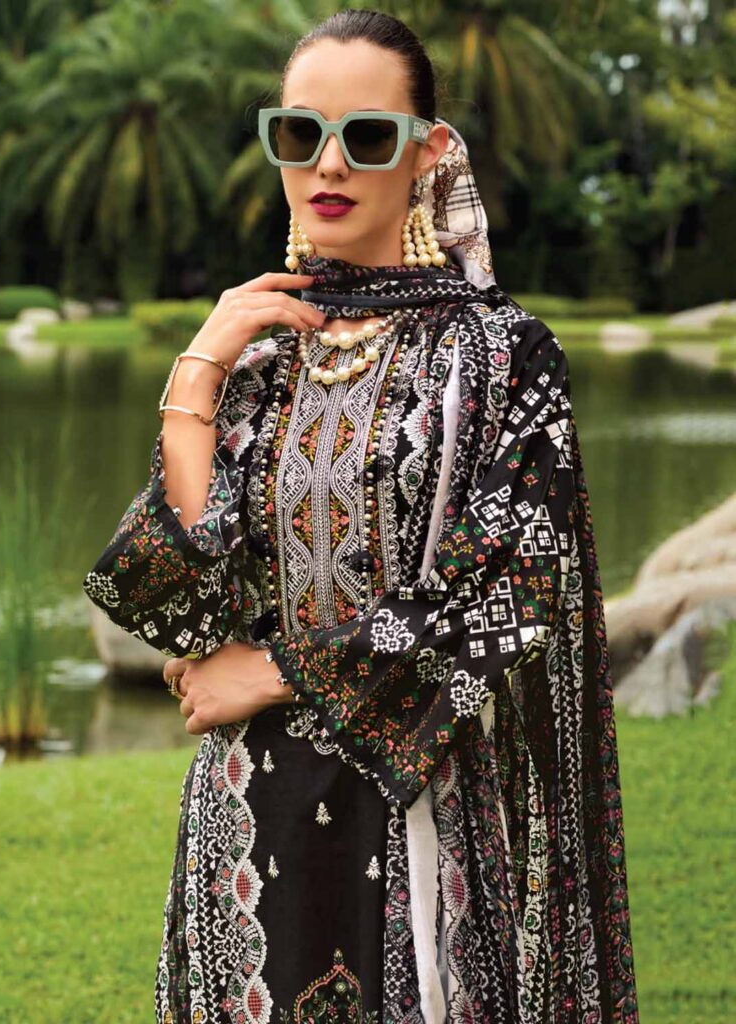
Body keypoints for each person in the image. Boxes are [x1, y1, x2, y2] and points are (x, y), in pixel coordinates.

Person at [82, 9, 640, 1023]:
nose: (329, 163)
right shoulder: (258, 358)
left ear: (426, 151)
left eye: (367, 135)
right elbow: (184, 604)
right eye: (300, 134)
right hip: (247, 813)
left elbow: (511, 592)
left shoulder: (501, 358)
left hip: (424, 799)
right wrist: (196, 374)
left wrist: (275, 671)